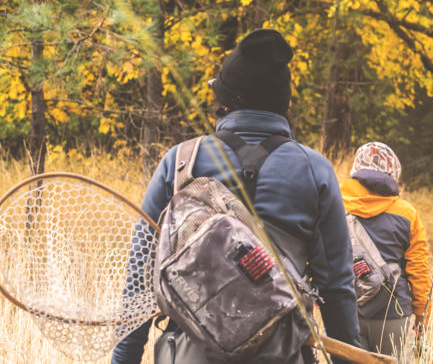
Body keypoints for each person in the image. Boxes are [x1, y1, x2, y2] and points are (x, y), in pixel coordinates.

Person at [111, 29, 359, 364]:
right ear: (283, 102)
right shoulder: (316, 171)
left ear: (224, 100)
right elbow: (337, 288)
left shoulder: (180, 162)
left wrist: (123, 360)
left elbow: (139, 280)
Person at [340, 142, 431, 360]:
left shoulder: (336, 205)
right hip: (394, 314)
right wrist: (422, 316)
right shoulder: (407, 214)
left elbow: (321, 255)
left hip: (346, 311)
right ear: (393, 172)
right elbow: (418, 270)